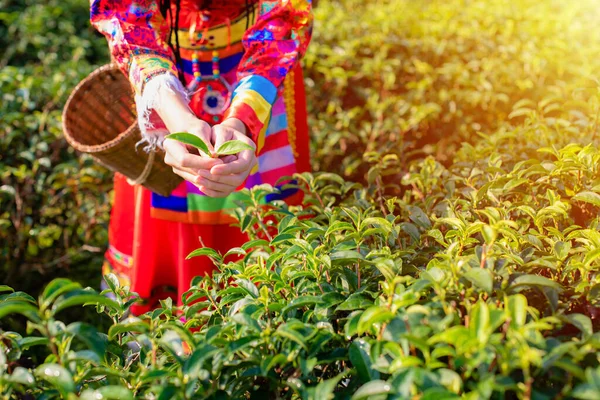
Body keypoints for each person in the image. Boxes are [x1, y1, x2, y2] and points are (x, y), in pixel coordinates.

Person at [90, 0, 313, 314]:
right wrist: (174, 116)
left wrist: (244, 120)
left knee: (266, 231)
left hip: (261, 71)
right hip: (166, 75)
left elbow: (283, 13)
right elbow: (126, 14)